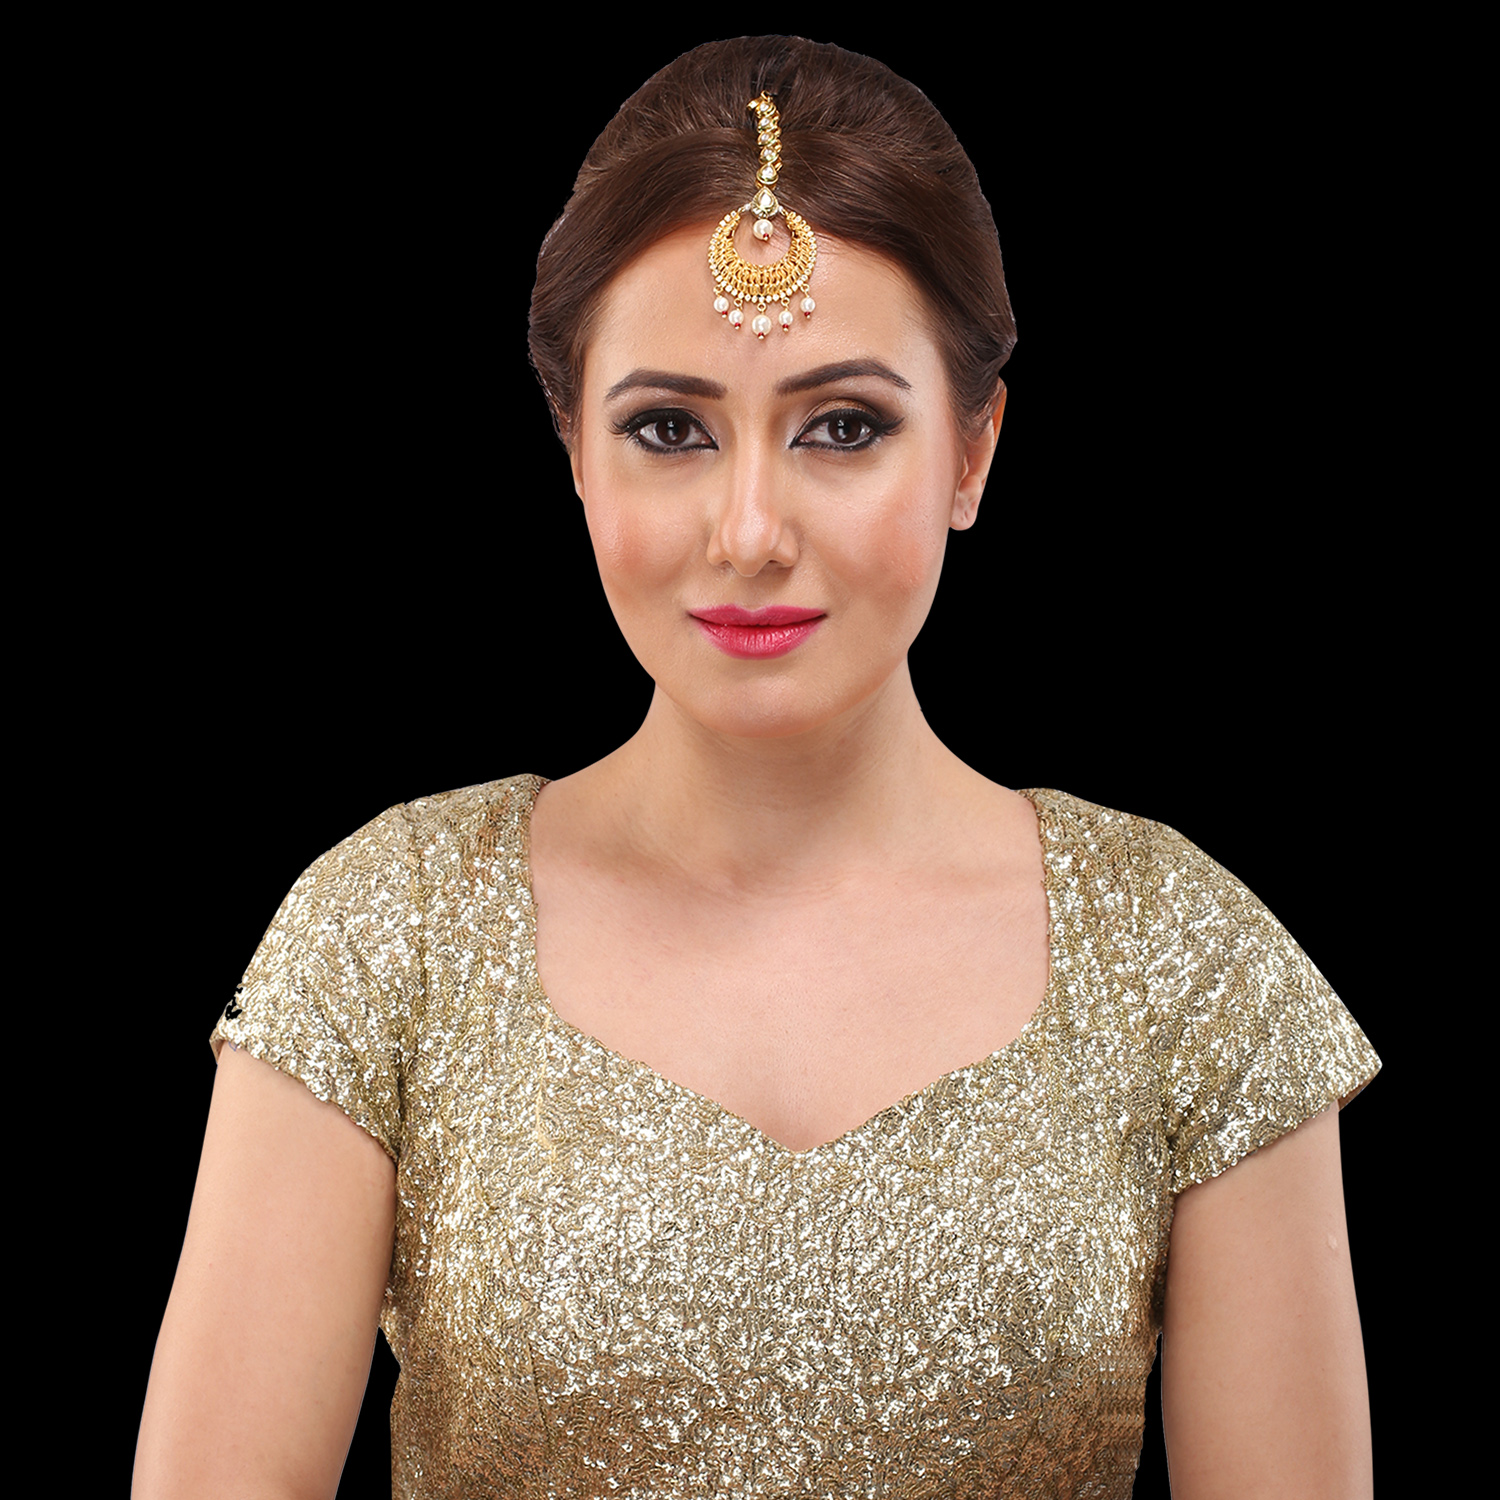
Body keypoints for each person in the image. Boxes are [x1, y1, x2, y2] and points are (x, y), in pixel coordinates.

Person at [133, 36, 1379, 1499]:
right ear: (573, 451)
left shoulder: (1182, 961)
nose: (747, 532)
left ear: (973, 451)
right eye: (669, 430)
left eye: (842, 428)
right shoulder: (391, 930)